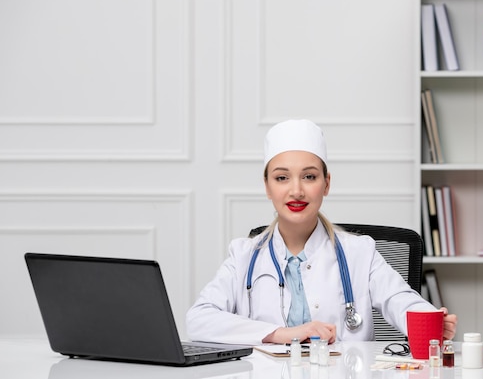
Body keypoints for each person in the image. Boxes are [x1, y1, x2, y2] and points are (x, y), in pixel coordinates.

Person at [187, 119, 457, 345]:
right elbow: (198, 319)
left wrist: (432, 319)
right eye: (282, 178)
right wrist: (281, 334)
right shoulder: (243, 255)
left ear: (326, 184)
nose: (296, 191)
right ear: (267, 186)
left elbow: (401, 300)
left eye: (309, 176)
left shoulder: (359, 252)